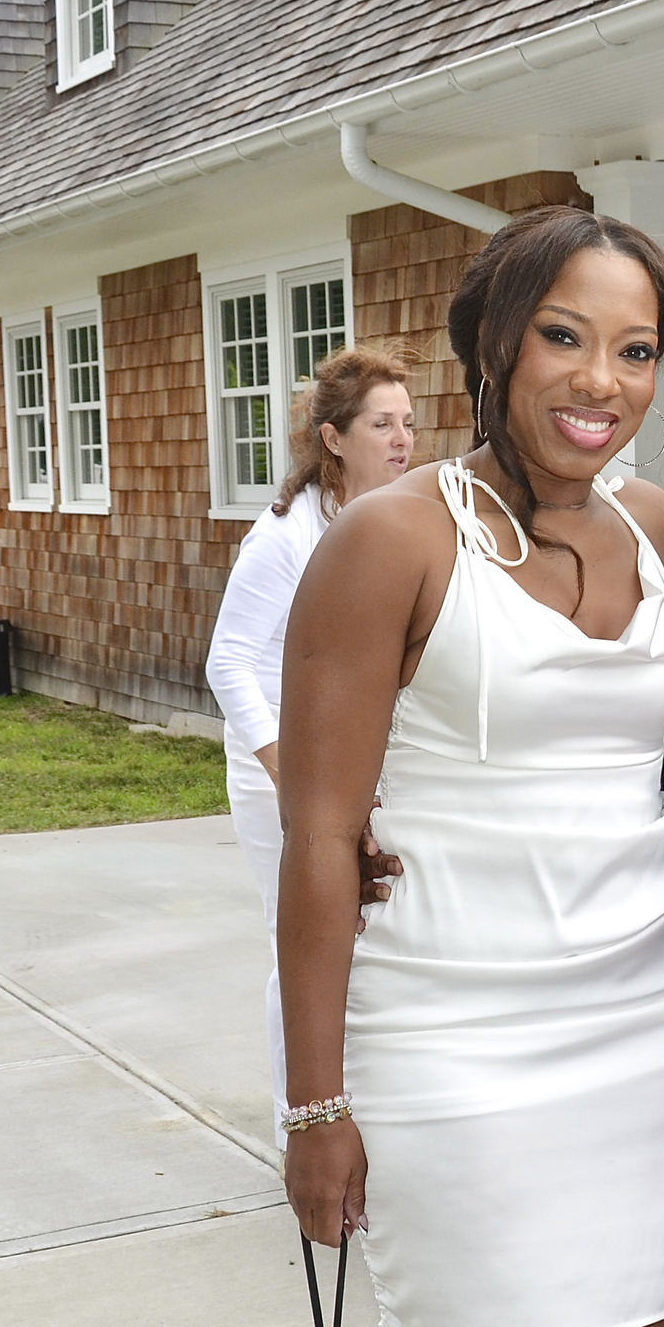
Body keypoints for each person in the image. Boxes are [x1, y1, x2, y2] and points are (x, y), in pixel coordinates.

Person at [276, 205, 664, 1327]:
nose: (603, 380)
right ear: (492, 341)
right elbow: (319, 838)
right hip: (456, 1047)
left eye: (638, 349)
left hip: (646, 1035)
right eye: (566, 336)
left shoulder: (654, 530)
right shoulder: (390, 540)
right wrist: (316, 1103)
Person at [206, 345, 415, 1142]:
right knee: (299, 938)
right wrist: (291, 773)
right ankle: (300, 1123)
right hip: (278, 771)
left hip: (354, 761)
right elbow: (227, 662)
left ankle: (363, 1108)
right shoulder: (287, 535)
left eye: (407, 423)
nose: (401, 439)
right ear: (334, 438)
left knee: (364, 941)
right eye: (380, 424)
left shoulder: (393, 520)